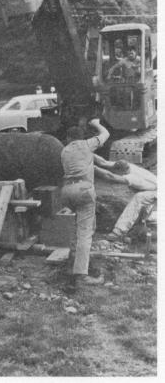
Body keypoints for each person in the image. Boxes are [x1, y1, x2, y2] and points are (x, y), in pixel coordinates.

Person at [60, 118, 110, 287]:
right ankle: (81, 274)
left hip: (66, 192)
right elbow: (105, 134)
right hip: (83, 191)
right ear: (81, 138)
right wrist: (95, 123)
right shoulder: (87, 144)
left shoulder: (64, 150)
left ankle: (73, 261)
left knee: (79, 227)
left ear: (68, 138)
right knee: (85, 233)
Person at [94, 158, 157, 241]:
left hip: (157, 191)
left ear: (120, 171)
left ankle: (118, 232)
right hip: (153, 187)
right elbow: (103, 162)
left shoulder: (132, 177)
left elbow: (110, 176)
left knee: (138, 198)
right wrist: (87, 152)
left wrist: (92, 168)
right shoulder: (128, 165)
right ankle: (138, 226)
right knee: (143, 210)